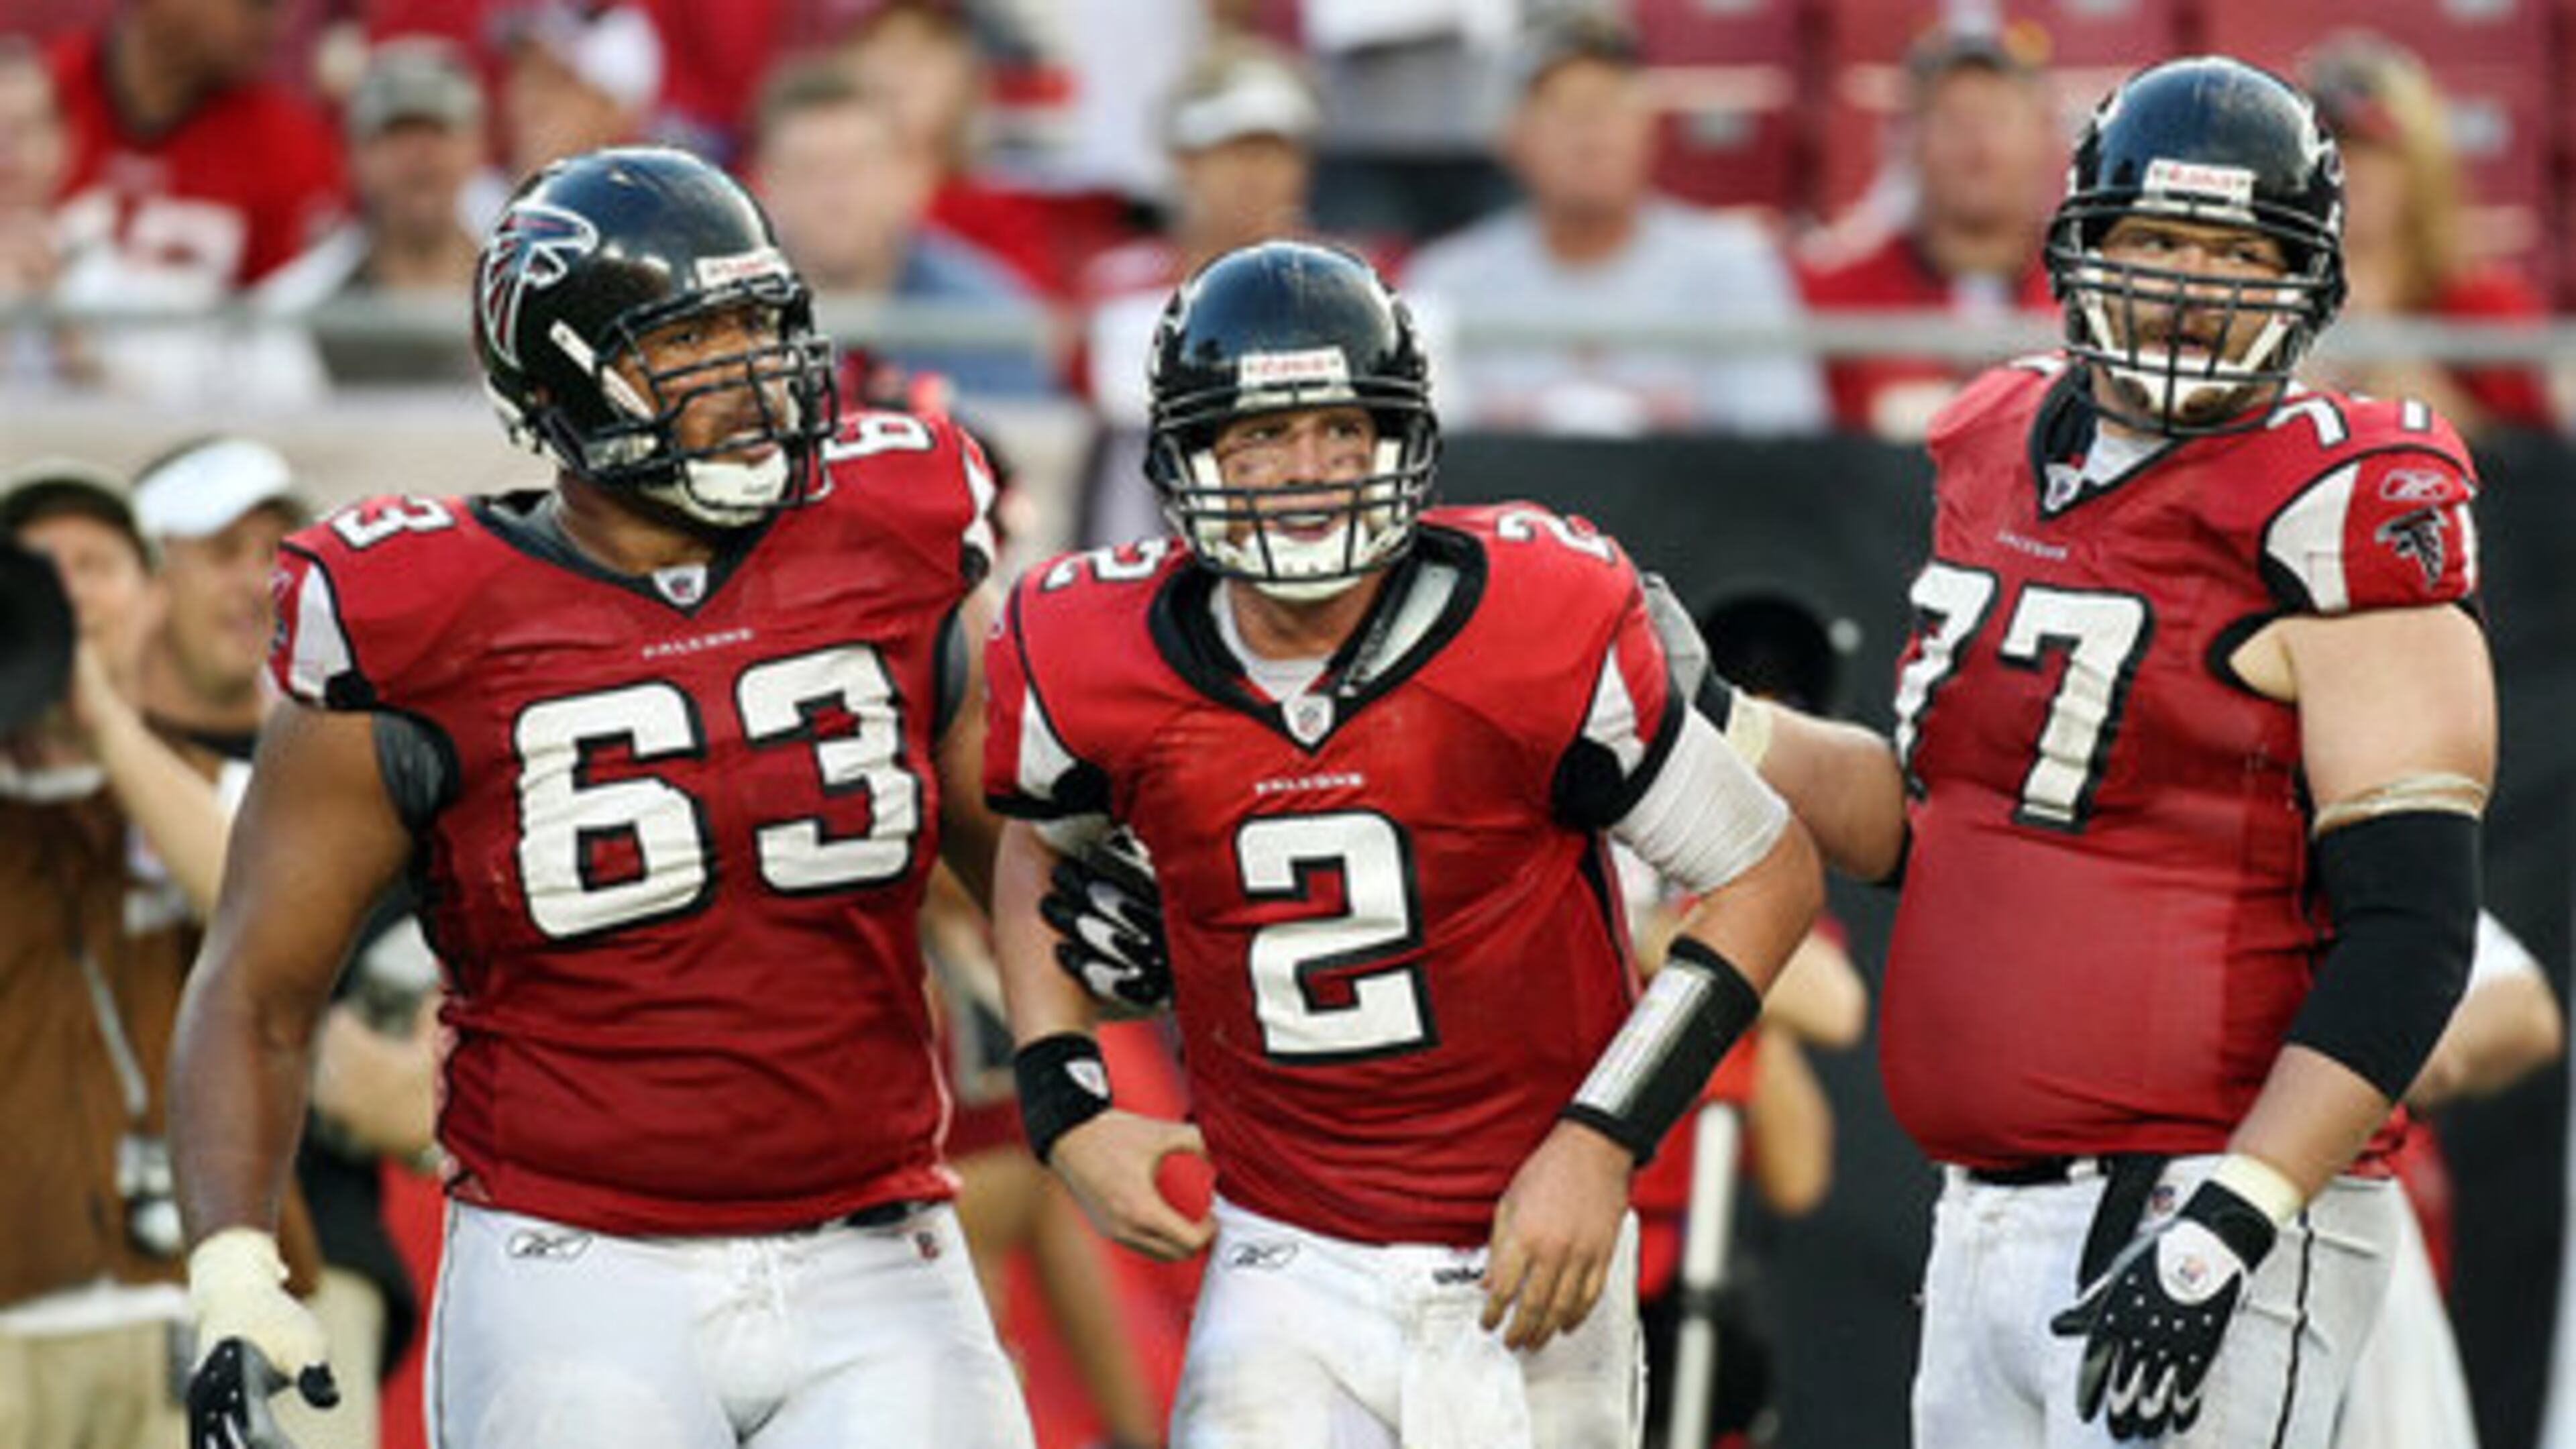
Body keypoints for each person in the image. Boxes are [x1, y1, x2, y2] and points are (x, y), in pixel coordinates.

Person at [165, 146, 1036, 1449]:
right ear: (562, 375)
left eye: (762, 327)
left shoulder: (885, 544)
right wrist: (233, 1264)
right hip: (576, 1270)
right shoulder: (418, 617)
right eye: (694, 343)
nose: (752, 379)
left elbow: (1030, 886)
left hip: (880, 1243)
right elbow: (254, 987)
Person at [1698, 56, 2494, 1448]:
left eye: (2236, 251)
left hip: (2204, 1207)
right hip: (1986, 1207)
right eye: (2158, 241)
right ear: (2082, 248)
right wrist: (1720, 721)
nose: (2193, 284)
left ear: (2305, 279)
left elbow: (2414, 933)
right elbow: (1928, 824)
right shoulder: (1997, 438)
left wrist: (2231, 1219)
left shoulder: (2341, 502)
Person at [983, 239, 1824, 1447]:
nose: (1307, 470)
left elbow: (1768, 867)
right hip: (1283, 1251)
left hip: (1525, 1250)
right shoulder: (1095, 652)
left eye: (1339, 428)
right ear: (1187, 456)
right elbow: (1034, 845)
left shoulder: (1529, 624)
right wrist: (1065, 1099)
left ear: (1402, 439)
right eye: (1260, 435)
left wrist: (1601, 1140)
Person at [0, 462, 325, 1449]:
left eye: (94, 565)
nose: (69, 592)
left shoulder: (207, 785)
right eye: (39, 570)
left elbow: (259, 907)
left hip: (192, 1309)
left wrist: (103, 720)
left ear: (149, 598)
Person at [1399, 8, 1826, 437]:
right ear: (1512, 137)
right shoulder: (1446, 280)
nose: (1591, 133)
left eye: (1611, 102)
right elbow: (1427, 465)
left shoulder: (1735, 267)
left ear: (1649, 125)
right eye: (1561, 108)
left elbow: (1782, 445)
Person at [45, 0, 345, 402]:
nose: (275, 24)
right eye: (255, 7)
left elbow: (288, 343)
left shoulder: (291, 147)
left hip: (202, 413)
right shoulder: (41, 98)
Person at [1796, 26, 2060, 440]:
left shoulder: (2094, 298)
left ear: (2044, 137)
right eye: (1954, 119)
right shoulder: (1833, 294)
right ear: (1910, 141)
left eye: (2001, 118)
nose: (1980, 144)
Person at [749, 57, 1059, 399]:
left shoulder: (991, 317)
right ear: (763, 185)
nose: (835, 195)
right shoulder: (722, 322)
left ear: (907, 178)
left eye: (858, 167)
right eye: (808, 169)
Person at [2296, 32, 2557, 437]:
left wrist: (2394, 368)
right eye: (2331, 149)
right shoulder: (2266, 297)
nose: (2352, 168)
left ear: (2421, 166)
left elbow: (2538, 471)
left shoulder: (2482, 302)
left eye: (2374, 148)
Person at [250, 38, 495, 394]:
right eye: (397, 135)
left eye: (439, 132)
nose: (420, 156)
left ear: (477, 148)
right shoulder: (301, 308)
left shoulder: (527, 287)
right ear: (354, 157)